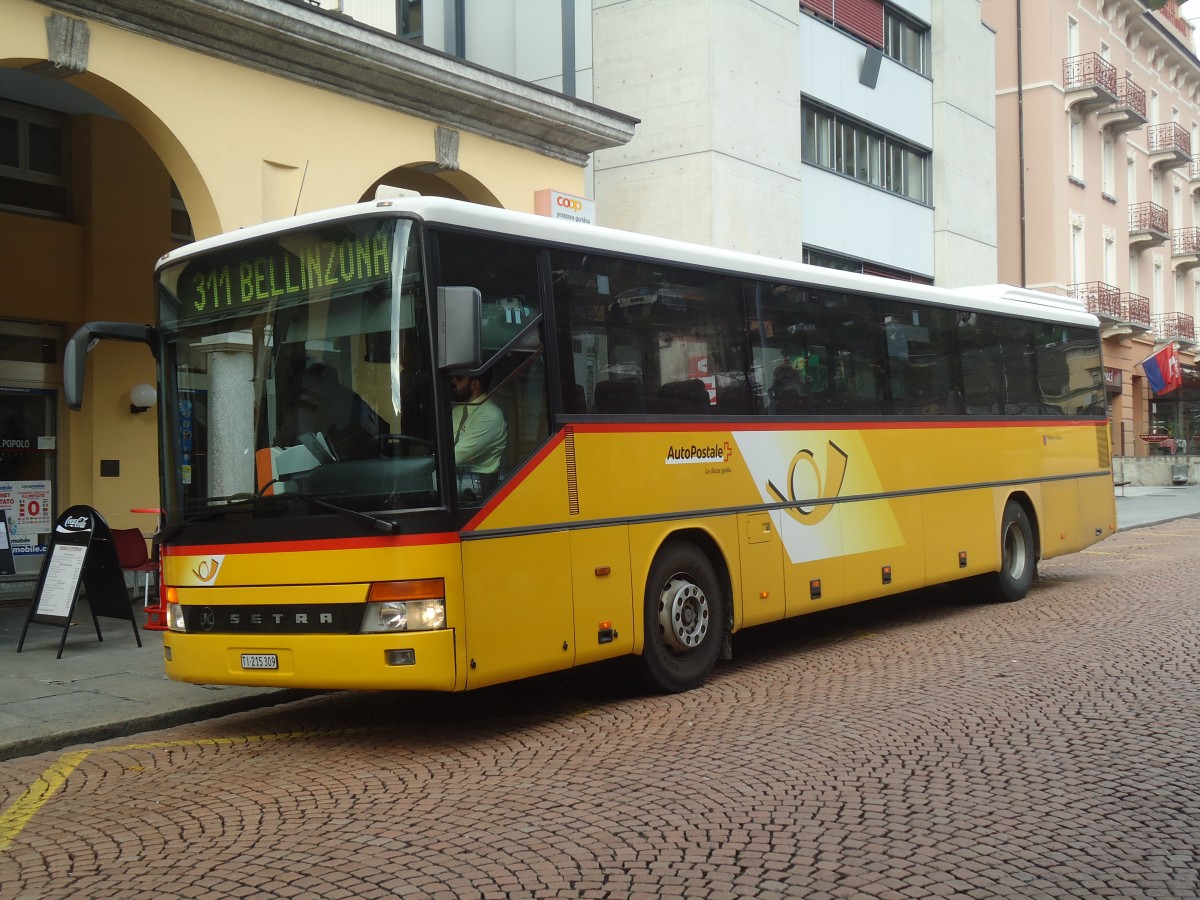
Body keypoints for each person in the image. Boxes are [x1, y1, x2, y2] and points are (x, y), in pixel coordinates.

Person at [450, 369, 507, 494]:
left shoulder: (490, 415)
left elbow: (455, 457)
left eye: (458, 378)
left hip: (478, 491)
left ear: (475, 384)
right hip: (455, 483)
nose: (452, 381)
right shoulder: (457, 410)